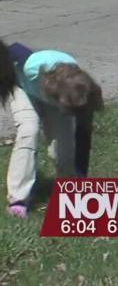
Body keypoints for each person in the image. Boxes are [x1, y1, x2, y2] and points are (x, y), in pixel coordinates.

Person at [3, 41, 102, 218]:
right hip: (24, 90)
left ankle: (70, 191)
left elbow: (82, 137)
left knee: (64, 148)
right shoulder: (33, 66)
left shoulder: (81, 93)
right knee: (29, 131)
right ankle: (18, 200)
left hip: (55, 99)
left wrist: (80, 176)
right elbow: (12, 50)